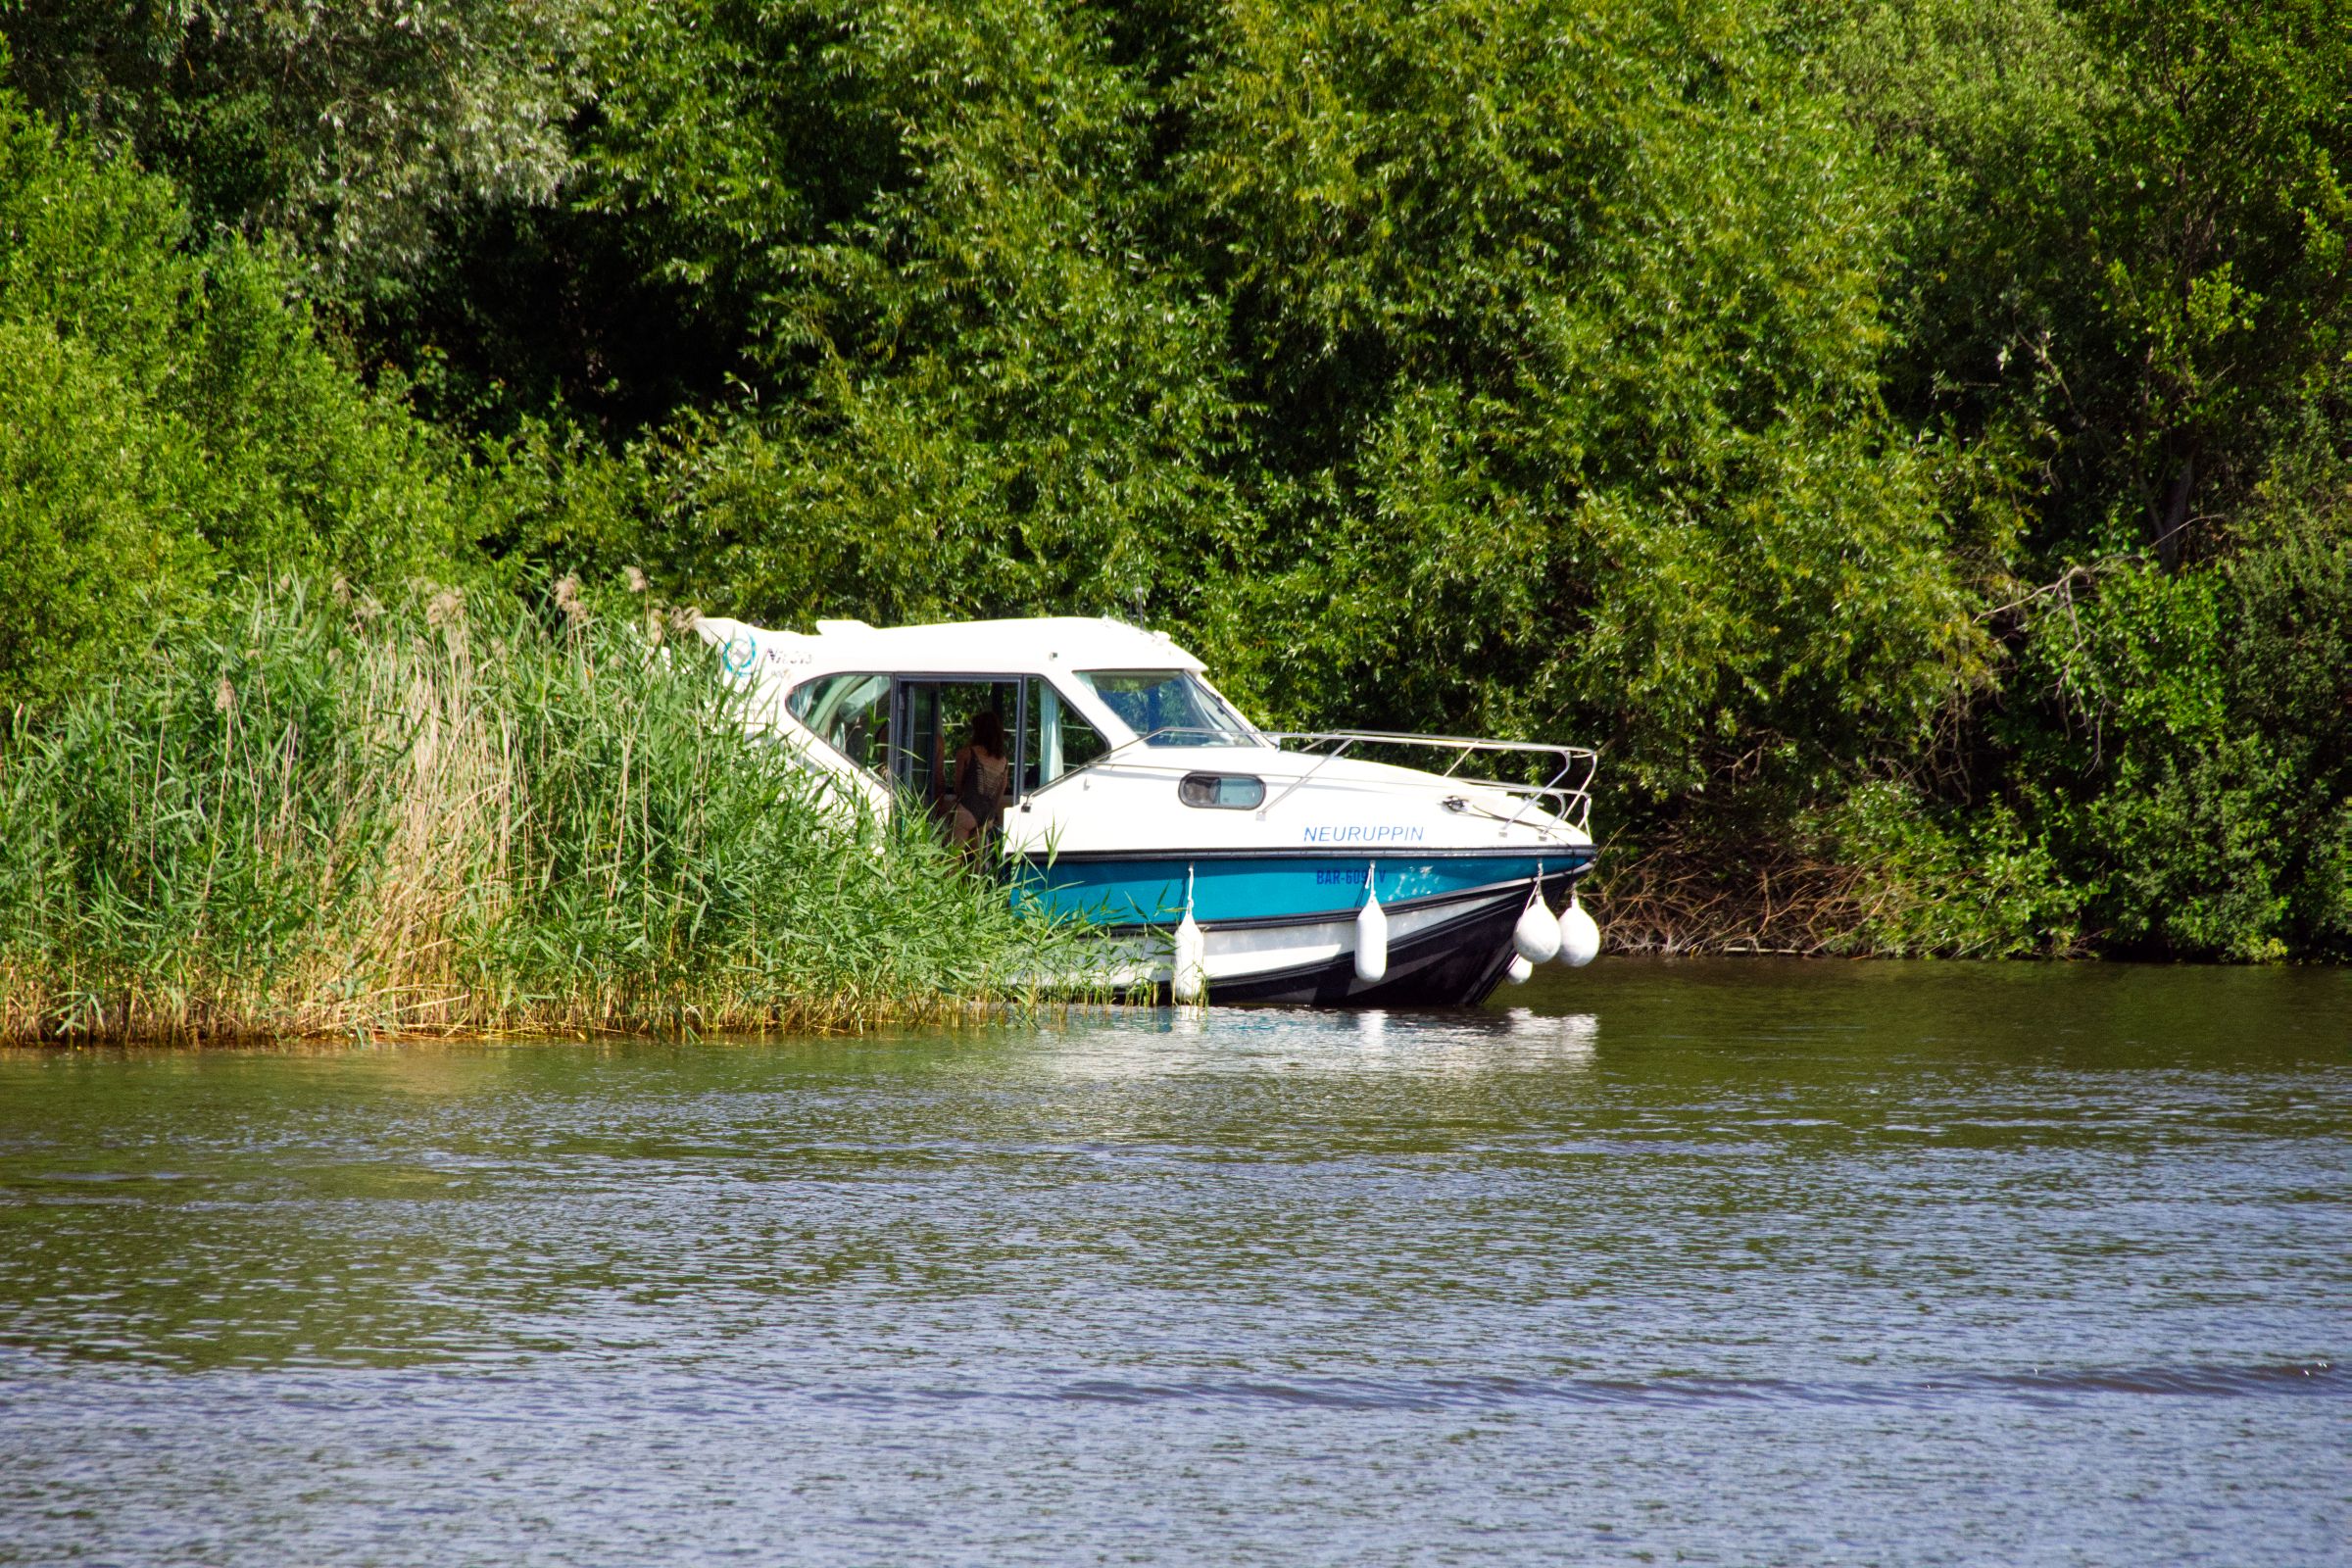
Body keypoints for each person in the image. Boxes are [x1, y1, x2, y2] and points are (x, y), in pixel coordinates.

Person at [950, 710, 1010, 851]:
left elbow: (958, 787)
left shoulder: (966, 753)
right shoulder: (1003, 761)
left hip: (967, 809)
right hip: (987, 816)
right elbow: (1000, 792)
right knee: (978, 866)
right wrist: (991, 812)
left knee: (953, 860)